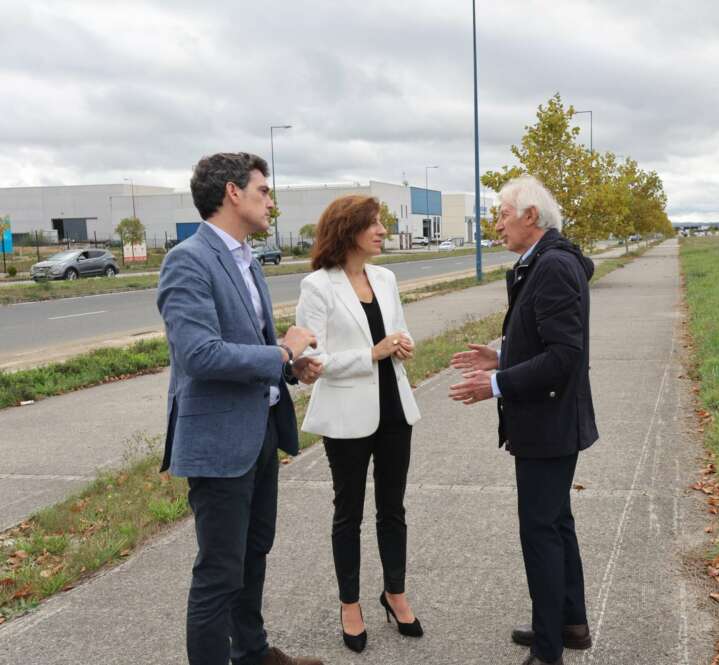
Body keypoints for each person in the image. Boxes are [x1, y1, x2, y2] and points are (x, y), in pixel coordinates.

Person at [157, 152, 326, 665]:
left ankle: (252, 653)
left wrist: (288, 369)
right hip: (218, 445)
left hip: (260, 435)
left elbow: (250, 347)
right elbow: (199, 354)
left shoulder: (247, 259)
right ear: (233, 193)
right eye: (263, 191)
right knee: (219, 573)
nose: (270, 201)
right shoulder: (188, 259)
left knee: (253, 557)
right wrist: (283, 351)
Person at [449, 175, 598, 665]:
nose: (497, 226)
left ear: (530, 217)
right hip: (550, 421)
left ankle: (548, 647)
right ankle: (569, 624)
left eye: (501, 215)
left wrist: (495, 384)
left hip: (548, 424)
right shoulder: (540, 261)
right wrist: (502, 355)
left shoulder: (552, 266)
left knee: (540, 531)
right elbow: (543, 337)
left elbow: (563, 356)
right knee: (556, 522)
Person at [295, 195, 423, 653]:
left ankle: (395, 592)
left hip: (395, 410)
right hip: (347, 416)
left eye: (383, 224)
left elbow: (399, 332)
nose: (383, 231)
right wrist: (372, 353)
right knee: (347, 513)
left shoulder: (386, 278)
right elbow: (312, 359)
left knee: (394, 509)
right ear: (349, 230)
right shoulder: (318, 286)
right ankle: (350, 604)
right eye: (375, 224)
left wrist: (401, 346)